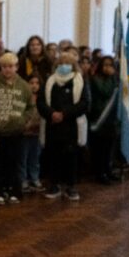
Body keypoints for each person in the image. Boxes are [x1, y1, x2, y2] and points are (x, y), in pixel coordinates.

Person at [0, 52, 34, 204]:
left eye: (10, 66)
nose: (7, 70)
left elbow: (30, 106)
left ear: (16, 67)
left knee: (14, 162)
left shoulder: (23, 85)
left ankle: (14, 190)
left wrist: (23, 121)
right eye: (4, 67)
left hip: (16, 131)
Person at [39, 52, 89, 201]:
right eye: (60, 63)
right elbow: (41, 102)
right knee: (53, 156)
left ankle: (71, 186)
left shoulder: (80, 81)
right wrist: (52, 113)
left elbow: (84, 103)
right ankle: (54, 185)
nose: (63, 66)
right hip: (53, 126)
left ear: (73, 66)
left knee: (71, 157)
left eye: (67, 63)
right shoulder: (50, 81)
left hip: (72, 126)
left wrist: (64, 114)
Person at [89, 56, 120, 184]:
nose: (108, 68)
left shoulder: (114, 79)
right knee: (100, 149)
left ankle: (108, 170)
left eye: (110, 65)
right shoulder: (95, 79)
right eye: (105, 65)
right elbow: (105, 91)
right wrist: (113, 77)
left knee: (109, 147)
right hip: (100, 118)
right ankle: (100, 173)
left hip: (111, 118)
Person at [20, 74, 44, 193]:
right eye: (31, 83)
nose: (34, 86)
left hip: (37, 132)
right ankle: (23, 179)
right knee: (23, 156)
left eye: (37, 83)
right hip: (24, 132)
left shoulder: (42, 98)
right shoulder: (23, 97)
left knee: (35, 157)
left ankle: (34, 178)